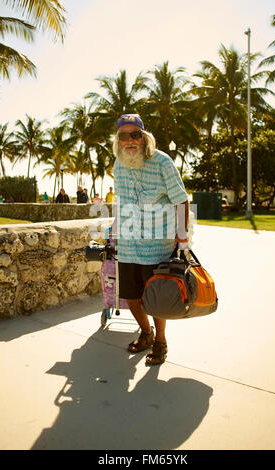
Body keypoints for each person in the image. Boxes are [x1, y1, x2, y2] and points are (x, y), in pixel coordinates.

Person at [112, 113, 189, 365]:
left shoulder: (162, 162)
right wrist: (114, 229)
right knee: (131, 296)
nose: (130, 140)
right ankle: (146, 333)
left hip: (157, 245)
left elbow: (181, 199)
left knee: (158, 297)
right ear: (119, 139)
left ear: (144, 137)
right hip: (128, 244)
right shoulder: (118, 165)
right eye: (124, 136)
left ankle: (161, 341)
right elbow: (121, 202)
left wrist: (183, 238)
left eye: (136, 134)